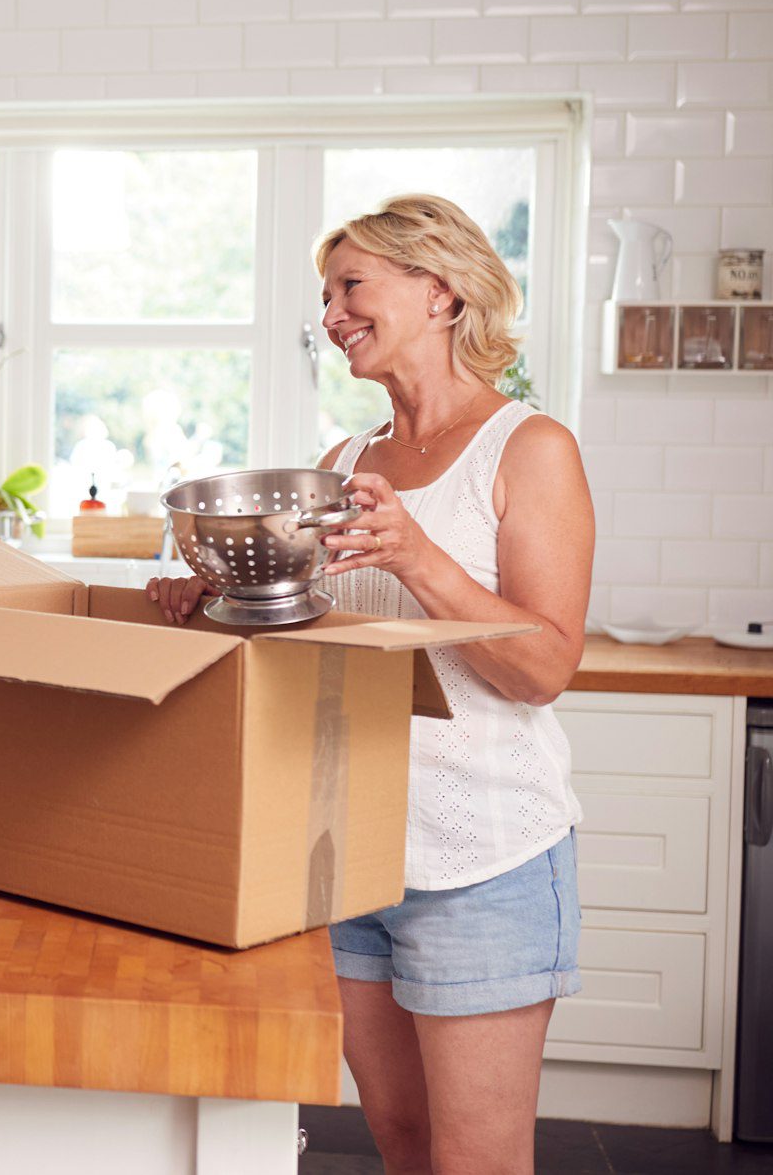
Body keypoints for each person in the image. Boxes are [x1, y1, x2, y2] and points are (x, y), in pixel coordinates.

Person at [148, 194, 593, 1175]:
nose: (332, 311)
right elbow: (307, 640)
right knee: (398, 1139)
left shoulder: (527, 449)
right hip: (346, 853)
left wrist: (419, 556)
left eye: (351, 285)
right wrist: (212, 593)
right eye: (324, 293)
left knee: (473, 1158)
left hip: (484, 857)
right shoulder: (338, 465)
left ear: (436, 292)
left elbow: (543, 667)